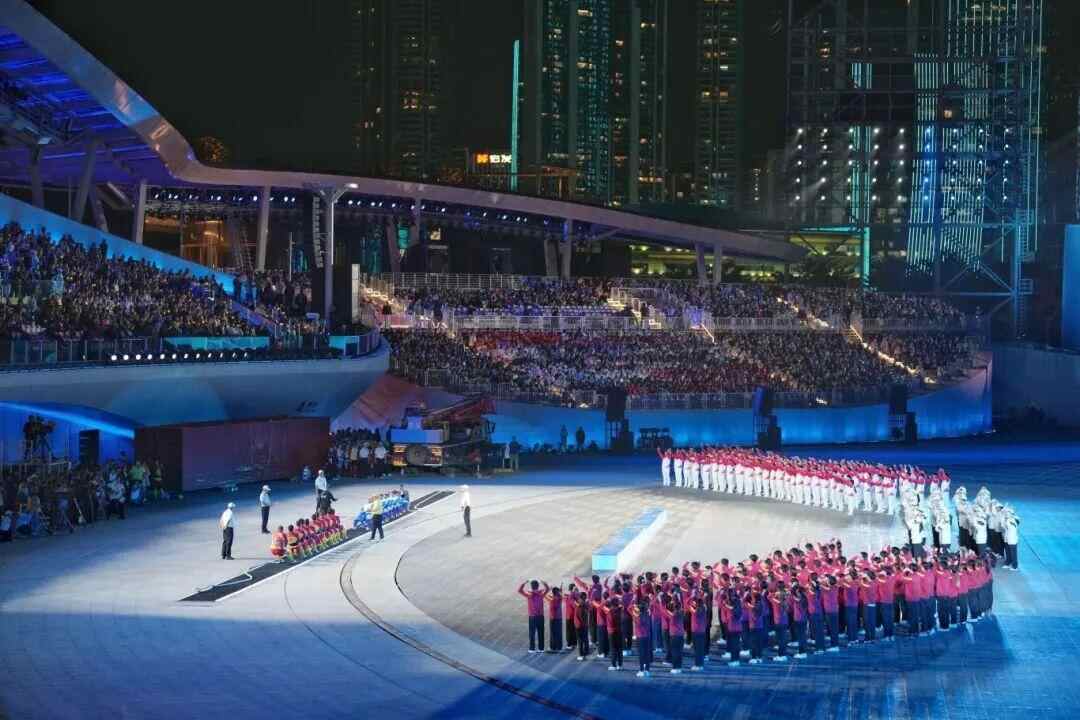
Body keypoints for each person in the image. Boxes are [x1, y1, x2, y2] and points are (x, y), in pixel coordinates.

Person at [518, 579, 549, 653]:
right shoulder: (541, 594)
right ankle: (541, 648)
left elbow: (519, 590)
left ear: (531, 586)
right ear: (538, 586)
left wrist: (524, 583)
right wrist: (543, 582)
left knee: (532, 633)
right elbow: (547, 589)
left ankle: (532, 649)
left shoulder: (529, 595)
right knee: (541, 632)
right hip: (540, 616)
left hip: (532, 617)